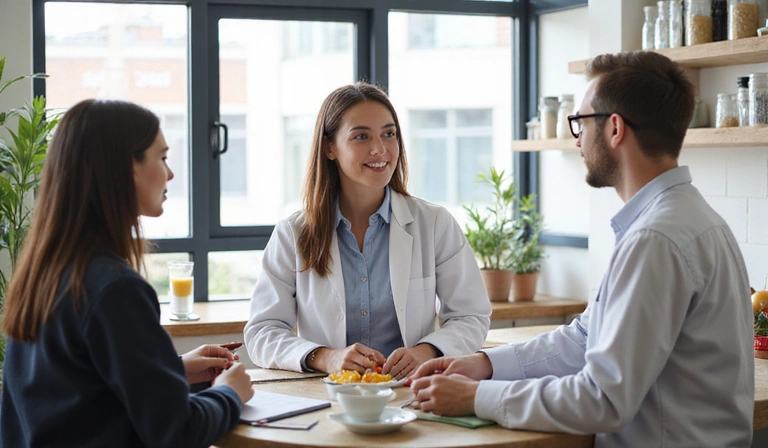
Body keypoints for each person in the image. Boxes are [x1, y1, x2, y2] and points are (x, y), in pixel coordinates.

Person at [410, 51, 754, 447]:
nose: (576, 137)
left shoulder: (656, 239)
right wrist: (484, 365)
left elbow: (603, 398)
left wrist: (476, 397)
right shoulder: (688, 218)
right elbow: (585, 337)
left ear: (614, 129)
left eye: (580, 122)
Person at [0, 99, 254, 447]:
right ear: (126, 167)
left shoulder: (46, 272)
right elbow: (176, 432)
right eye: (162, 157)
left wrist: (171, 368)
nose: (171, 173)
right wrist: (229, 394)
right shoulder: (115, 288)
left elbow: (74, 393)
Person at [244, 82, 491, 379]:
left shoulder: (434, 223)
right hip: (329, 395)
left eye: (389, 134)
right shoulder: (292, 234)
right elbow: (262, 332)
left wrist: (425, 352)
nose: (380, 149)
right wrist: (326, 358)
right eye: (361, 136)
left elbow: (471, 316)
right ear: (329, 148)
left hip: (414, 392)